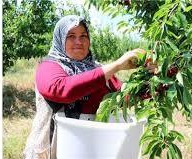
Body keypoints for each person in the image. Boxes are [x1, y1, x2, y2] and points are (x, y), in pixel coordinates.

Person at [23, 15, 154, 159]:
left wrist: (150, 77)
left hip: (90, 148)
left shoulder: (99, 70)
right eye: (71, 36)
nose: (78, 41)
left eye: (83, 35)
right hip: (52, 151)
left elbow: (126, 97)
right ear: (60, 39)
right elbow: (63, 90)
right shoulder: (49, 66)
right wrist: (117, 66)